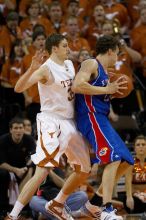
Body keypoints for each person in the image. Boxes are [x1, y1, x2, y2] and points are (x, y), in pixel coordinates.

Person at [5, 33, 93, 220]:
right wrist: (30, 69)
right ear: (54, 48)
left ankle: (56, 204)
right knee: (42, 171)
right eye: (64, 45)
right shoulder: (46, 69)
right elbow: (18, 88)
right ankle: (12, 216)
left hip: (70, 121)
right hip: (51, 121)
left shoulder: (69, 64)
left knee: (85, 169)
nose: (68, 48)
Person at [71, 35, 134, 220]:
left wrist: (110, 93)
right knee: (113, 158)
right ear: (110, 51)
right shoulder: (91, 63)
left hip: (101, 118)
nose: (118, 57)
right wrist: (107, 90)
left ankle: (92, 205)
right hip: (91, 117)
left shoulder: (106, 73)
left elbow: (95, 92)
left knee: (126, 160)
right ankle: (106, 210)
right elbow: (77, 85)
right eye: (117, 53)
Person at [0, 117, 36, 215]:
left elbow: (33, 158)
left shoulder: (29, 140)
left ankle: (28, 208)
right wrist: (16, 170)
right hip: (8, 169)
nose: (18, 131)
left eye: (20, 128)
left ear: (24, 130)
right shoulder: (3, 140)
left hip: (24, 169)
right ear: (10, 130)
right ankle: (3, 208)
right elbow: (1, 163)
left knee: (36, 172)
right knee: (2, 174)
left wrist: (27, 170)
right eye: (15, 128)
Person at [125, 135, 146, 214]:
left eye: (143, 144)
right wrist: (129, 197)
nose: (141, 147)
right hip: (134, 196)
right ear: (134, 148)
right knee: (131, 203)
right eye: (138, 145)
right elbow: (127, 181)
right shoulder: (130, 163)